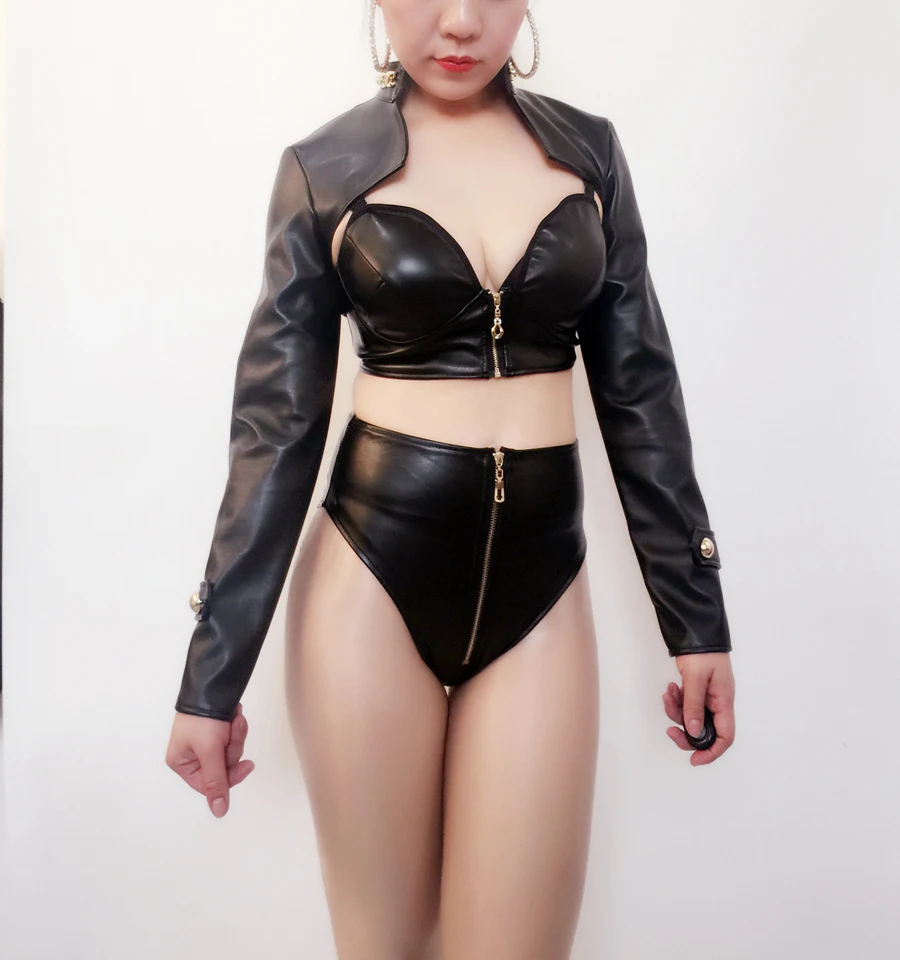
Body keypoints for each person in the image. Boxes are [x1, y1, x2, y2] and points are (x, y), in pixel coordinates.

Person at [165, 1, 736, 956]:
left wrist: (698, 619)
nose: (460, 22)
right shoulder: (324, 169)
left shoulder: (590, 155)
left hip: (540, 587)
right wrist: (209, 681)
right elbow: (275, 431)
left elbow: (640, 393)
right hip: (369, 585)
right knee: (383, 945)